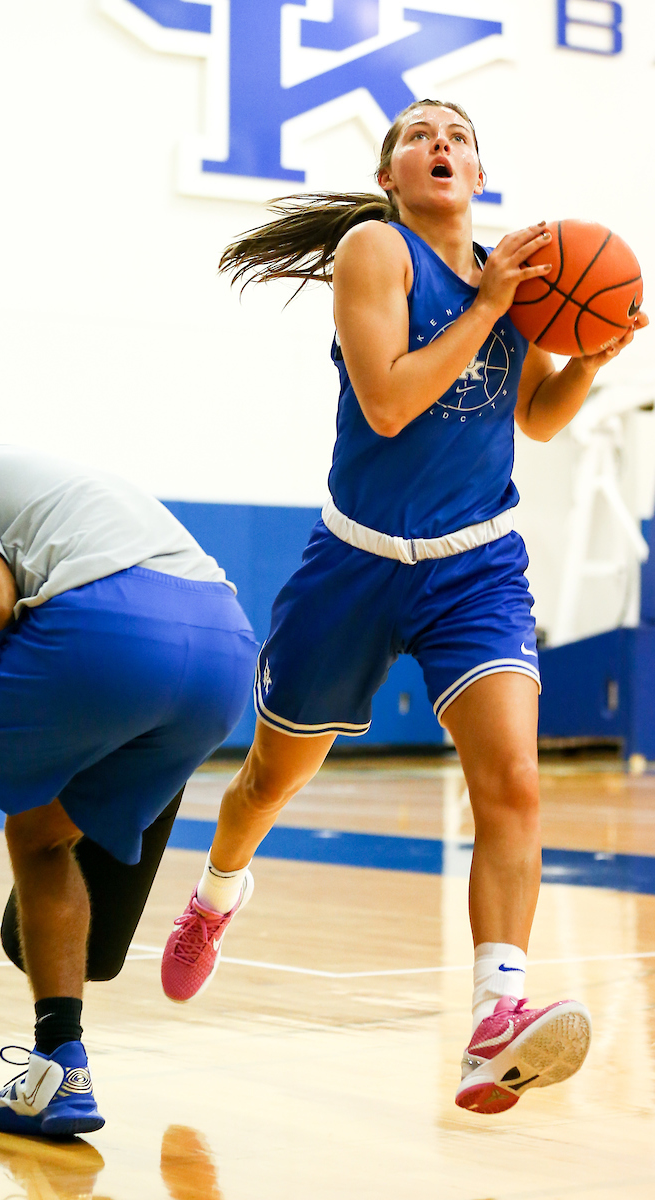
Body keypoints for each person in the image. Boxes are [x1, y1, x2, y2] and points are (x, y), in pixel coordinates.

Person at [160, 99, 648, 1114]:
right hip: (355, 562)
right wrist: (487, 307)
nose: (439, 144)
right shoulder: (373, 250)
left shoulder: (517, 278)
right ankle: (214, 896)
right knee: (265, 782)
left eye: (458, 136)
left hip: (474, 564)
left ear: (478, 173)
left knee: (511, 783)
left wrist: (589, 354)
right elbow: (386, 400)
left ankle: (492, 1019)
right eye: (418, 135)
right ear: (391, 176)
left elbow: (539, 421)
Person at [0, 410, 258, 1137]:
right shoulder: (52, 481)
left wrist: (12, 699)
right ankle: (56, 1071)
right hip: (224, 655)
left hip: (111, 630)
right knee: (43, 834)